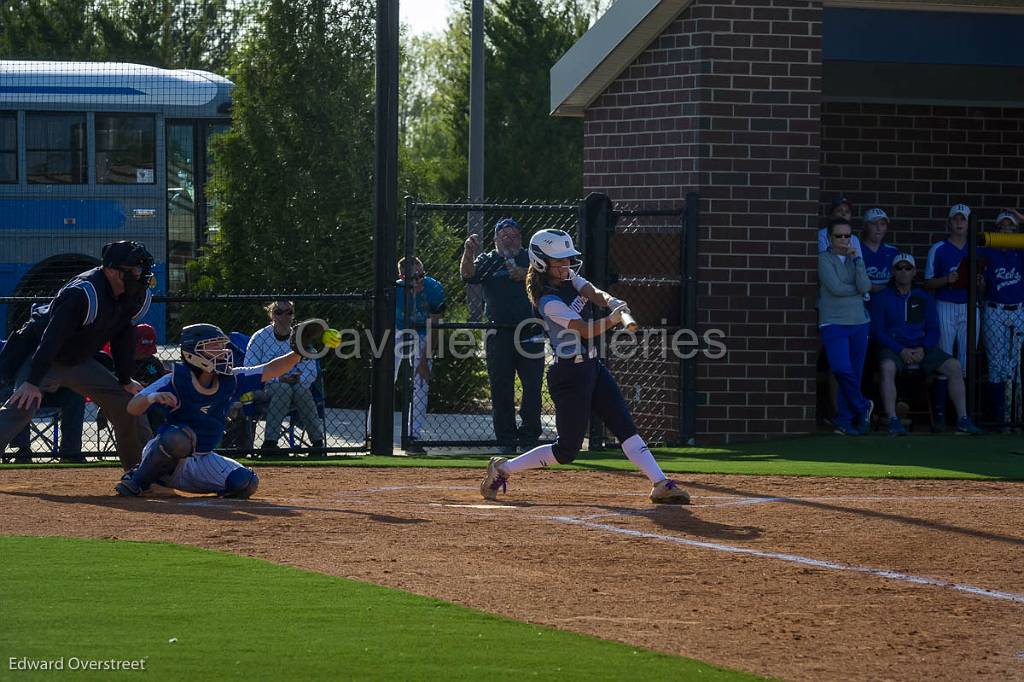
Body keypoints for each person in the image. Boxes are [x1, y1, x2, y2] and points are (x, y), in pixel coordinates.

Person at [479, 228, 690, 504]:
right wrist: (614, 319)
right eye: (560, 260)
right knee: (566, 450)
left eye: (568, 259)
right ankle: (502, 468)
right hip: (569, 376)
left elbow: (591, 291)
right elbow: (584, 330)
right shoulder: (547, 300)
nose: (566, 265)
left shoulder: (570, 278)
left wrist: (611, 301)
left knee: (624, 426)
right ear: (541, 262)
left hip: (593, 367)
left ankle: (661, 483)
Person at [115, 321, 338, 497]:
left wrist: (297, 353)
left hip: (202, 458)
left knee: (246, 483)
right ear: (193, 353)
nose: (223, 351)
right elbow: (133, 408)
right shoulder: (175, 380)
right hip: (170, 453)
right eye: (214, 347)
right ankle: (139, 480)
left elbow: (269, 369)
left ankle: (177, 485)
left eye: (222, 346)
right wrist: (153, 397)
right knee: (178, 438)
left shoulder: (230, 378)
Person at [0, 241, 155, 469]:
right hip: (44, 357)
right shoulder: (83, 293)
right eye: (134, 269)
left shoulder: (136, 295)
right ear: (112, 270)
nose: (141, 275)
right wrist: (32, 383)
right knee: (23, 407)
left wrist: (125, 380)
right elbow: (51, 339)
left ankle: (142, 472)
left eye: (142, 269)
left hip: (78, 361)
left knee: (128, 404)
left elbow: (123, 336)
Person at [871, 253, 983, 435]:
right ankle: (892, 419)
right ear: (893, 271)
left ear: (914, 272)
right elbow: (877, 332)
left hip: (921, 347)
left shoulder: (924, 297)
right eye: (899, 268)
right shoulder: (882, 297)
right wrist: (901, 350)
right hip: (894, 348)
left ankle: (963, 419)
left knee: (954, 366)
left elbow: (933, 330)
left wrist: (923, 348)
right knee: (887, 367)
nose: (903, 272)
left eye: (908, 268)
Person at [461, 217, 545, 453]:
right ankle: (506, 439)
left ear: (521, 238)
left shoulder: (530, 257)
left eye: (514, 235)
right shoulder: (488, 260)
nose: (509, 239)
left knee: (532, 386)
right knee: (501, 388)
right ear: (496, 239)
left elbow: (550, 276)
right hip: (498, 333)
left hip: (530, 331)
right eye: (504, 235)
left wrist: (526, 274)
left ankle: (529, 437)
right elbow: (468, 276)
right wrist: (468, 251)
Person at [818, 216, 874, 435]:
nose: (843, 240)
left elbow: (866, 284)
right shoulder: (824, 259)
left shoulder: (855, 259)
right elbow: (835, 288)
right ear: (830, 238)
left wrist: (858, 262)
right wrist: (858, 291)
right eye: (838, 236)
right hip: (833, 321)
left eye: (847, 236)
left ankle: (844, 420)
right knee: (841, 369)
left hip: (860, 322)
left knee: (854, 373)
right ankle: (863, 406)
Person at [245, 301, 325, 451]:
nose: (284, 317)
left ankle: (317, 444)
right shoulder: (260, 338)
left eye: (288, 312)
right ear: (272, 315)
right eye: (278, 312)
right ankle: (270, 443)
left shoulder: (300, 337)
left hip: (296, 386)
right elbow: (250, 370)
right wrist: (277, 377)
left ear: (293, 315)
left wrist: (299, 378)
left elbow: (310, 370)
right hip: (263, 387)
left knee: (299, 390)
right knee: (283, 388)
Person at [395, 256, 445, 454]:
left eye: (421, 275)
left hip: (423, 333)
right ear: (402, 277)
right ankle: (374, 432)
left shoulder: (434, 288)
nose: (418, 280)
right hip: (398, 331)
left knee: (421, 384)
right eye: (412, 277)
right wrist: (412, 294)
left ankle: (413, 436)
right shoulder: (396, 289)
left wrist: (424, 359)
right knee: (385, 379)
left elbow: (435, 324)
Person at [980, 210, 1024, 429]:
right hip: (994, 309)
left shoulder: (1020, 252)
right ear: (996, 230)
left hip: (1018, 309)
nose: (1007, 230)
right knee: (996, 363)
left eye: (1011, 227)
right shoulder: (988, 251)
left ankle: (1014, 414)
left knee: (1014, 364)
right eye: (1003, 227)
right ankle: (1000, 416)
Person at [924, 203, 975, 372]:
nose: (959, 223)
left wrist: (980, 281)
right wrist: (946, 279)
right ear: (949, 223)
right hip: (945, 304)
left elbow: (984, 281)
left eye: (963, 220)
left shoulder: (976, 248)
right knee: (944, 354)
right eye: (955, 219)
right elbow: (928, 282)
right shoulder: (938, 248)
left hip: (969, 305)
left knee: (968, 355)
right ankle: (942, 398)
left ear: (969, 223)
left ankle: (964, 398)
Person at [2, 387, 85, 464]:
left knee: (76, 395)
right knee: (17, 391)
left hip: (53, 392)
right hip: (23, 390)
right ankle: (22, 451)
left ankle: (70, 453)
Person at [860, 208, 899, 293]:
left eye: (882, 224)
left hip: (887, 302)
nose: (878, 228)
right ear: (865, 226)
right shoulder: (856, 251)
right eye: (874, 224)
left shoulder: (893, 252)